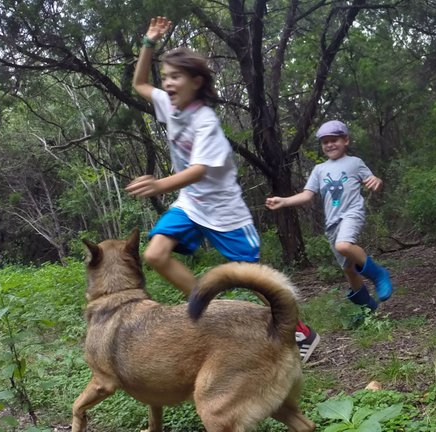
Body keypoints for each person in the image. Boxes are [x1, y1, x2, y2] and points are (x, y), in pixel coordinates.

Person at [126, 16, 320, 363]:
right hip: (190, 204)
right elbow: (139, 83)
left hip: (224, 211)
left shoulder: (205, 122)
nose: (167, 83)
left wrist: (159, 185)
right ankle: (211, 311)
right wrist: (149, 42)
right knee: (155, 255)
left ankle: (301, 332)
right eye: (166, 76)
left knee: (255, 281)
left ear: (196, 82)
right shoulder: (169, 106)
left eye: (175, 76)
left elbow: (200, 170)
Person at [265, 120, 393, 313]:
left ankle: (379, 275)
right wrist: (283, 201)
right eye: (325, 142)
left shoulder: (355, 163)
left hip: (351, 213)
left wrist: (377, 181)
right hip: (332, 223)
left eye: (335, 140)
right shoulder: (319, 169)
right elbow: (307, 195)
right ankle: (369, 309)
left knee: (344, 245)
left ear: (346, 140)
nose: (330, 144)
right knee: (348, 269)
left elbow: (374, 181)